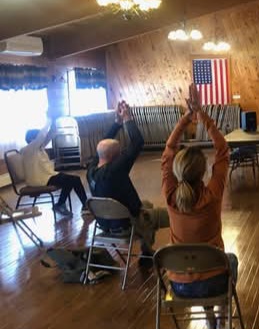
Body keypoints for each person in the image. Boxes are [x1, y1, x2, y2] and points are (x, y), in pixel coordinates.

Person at [161, 84, 234, 298]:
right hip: (215, 282)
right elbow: (222, 149)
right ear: (204, 171)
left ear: (177, 170)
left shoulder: (170, 197)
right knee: (233, 261)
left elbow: (168, 151)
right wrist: (202, 115)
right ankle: (218, 315)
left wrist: (187, 118)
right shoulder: (212, 196)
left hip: (179, 287)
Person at [87, 100, 169, 262]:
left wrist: (117, 123)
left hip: (105, 223)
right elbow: (137, 142)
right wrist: (127, 118)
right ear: (116, 157)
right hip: (126, 224)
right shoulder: (115, 170)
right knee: (173, 214)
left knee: (147, 204)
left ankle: (146, 251)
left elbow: (101, 145)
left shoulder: (90, 170)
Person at [22, 117, 89, 216]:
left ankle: (62, 204)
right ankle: (82, 205)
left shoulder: (38, 148)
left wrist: (54, 120)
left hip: (46, 177)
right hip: (39, 180)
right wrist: (49, 118)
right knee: (73, 180)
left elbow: (50, 135)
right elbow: (42, 136)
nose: (42, 141)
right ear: (33, 139)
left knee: (72, 180)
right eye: (39, 139)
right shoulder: (28, 149)